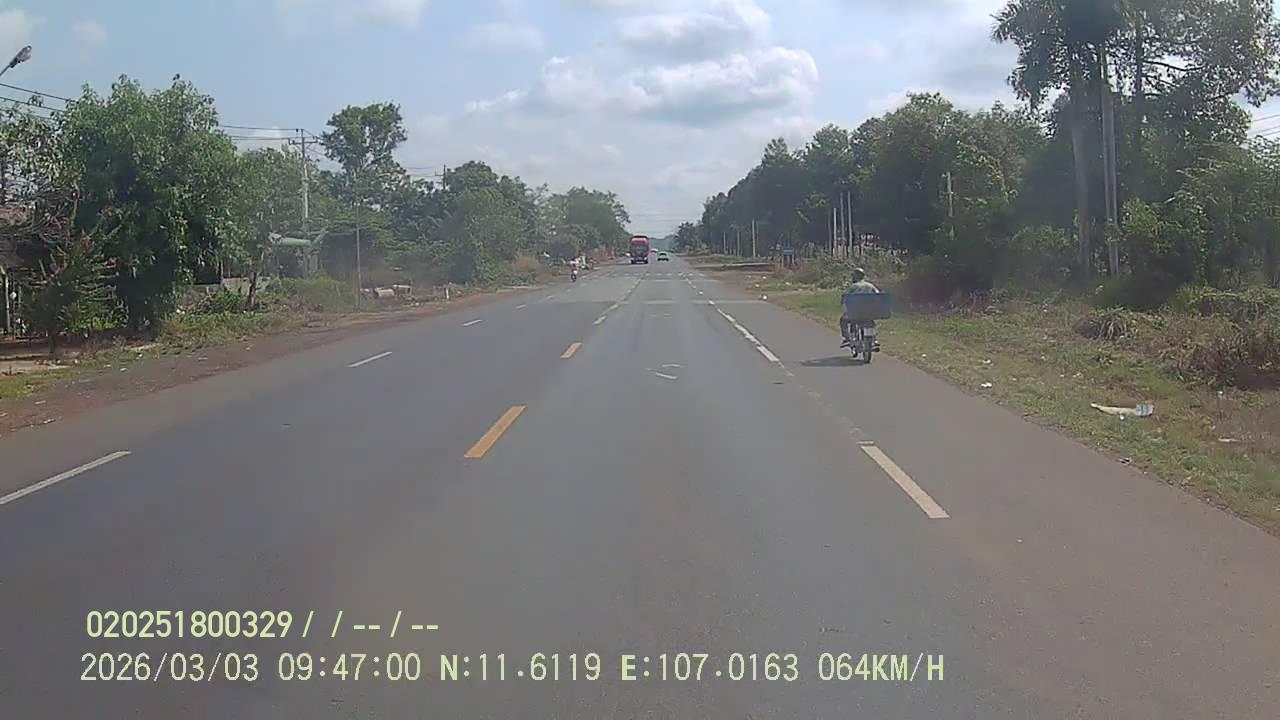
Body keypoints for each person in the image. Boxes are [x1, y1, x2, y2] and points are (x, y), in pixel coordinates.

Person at [840, 267, 880, 348]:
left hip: (855, 312)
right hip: (869, 312)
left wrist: (843, 303)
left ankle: (847, 338)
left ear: (856, 276)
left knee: (843, 320)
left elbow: (845, 296)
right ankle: (874, 339)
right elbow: (878, 294)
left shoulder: (853, 286)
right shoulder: (870, 285)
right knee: (871, 323)